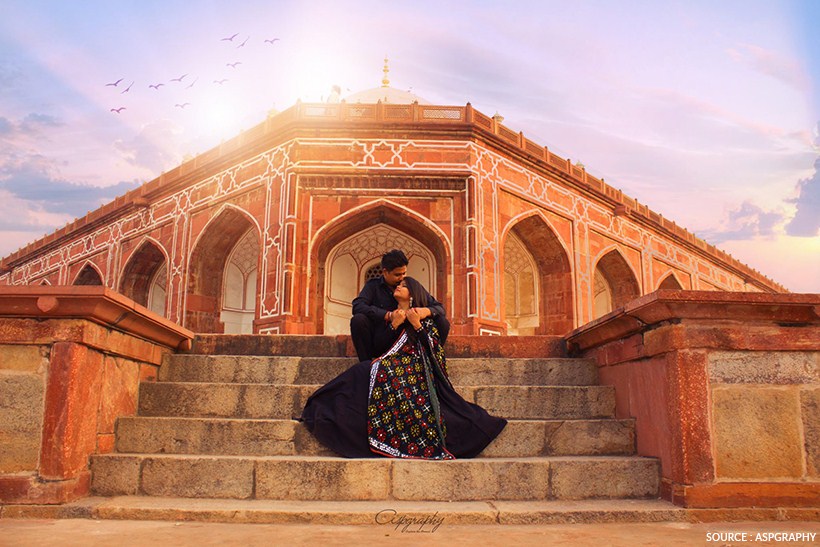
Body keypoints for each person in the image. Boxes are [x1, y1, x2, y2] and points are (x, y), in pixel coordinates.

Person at [300, 276, 507, 460]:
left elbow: (433, 351)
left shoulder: (423, 317)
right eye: (398, 282)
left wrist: (416, 324)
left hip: (414, 368)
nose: (398, 286)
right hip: (391, 362)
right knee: (361, 372)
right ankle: (323, 408)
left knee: (366, 372)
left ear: (413, 293)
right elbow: (381, 345)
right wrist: (393, 324)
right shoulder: (394, 313)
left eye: (403, 285)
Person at [350, 249, 450, 362]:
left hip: (409, 343)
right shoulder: (373, 286)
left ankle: (433, 359)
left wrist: (425, 311)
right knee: (358, 320)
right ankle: (366, 364)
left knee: (442, 321)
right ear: (385, 272)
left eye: (404, 273)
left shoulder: (411, 286)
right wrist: (388, 315)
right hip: (381, 340)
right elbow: (358, 306)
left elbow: (440, 308)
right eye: (397, 274)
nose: (401, 278)